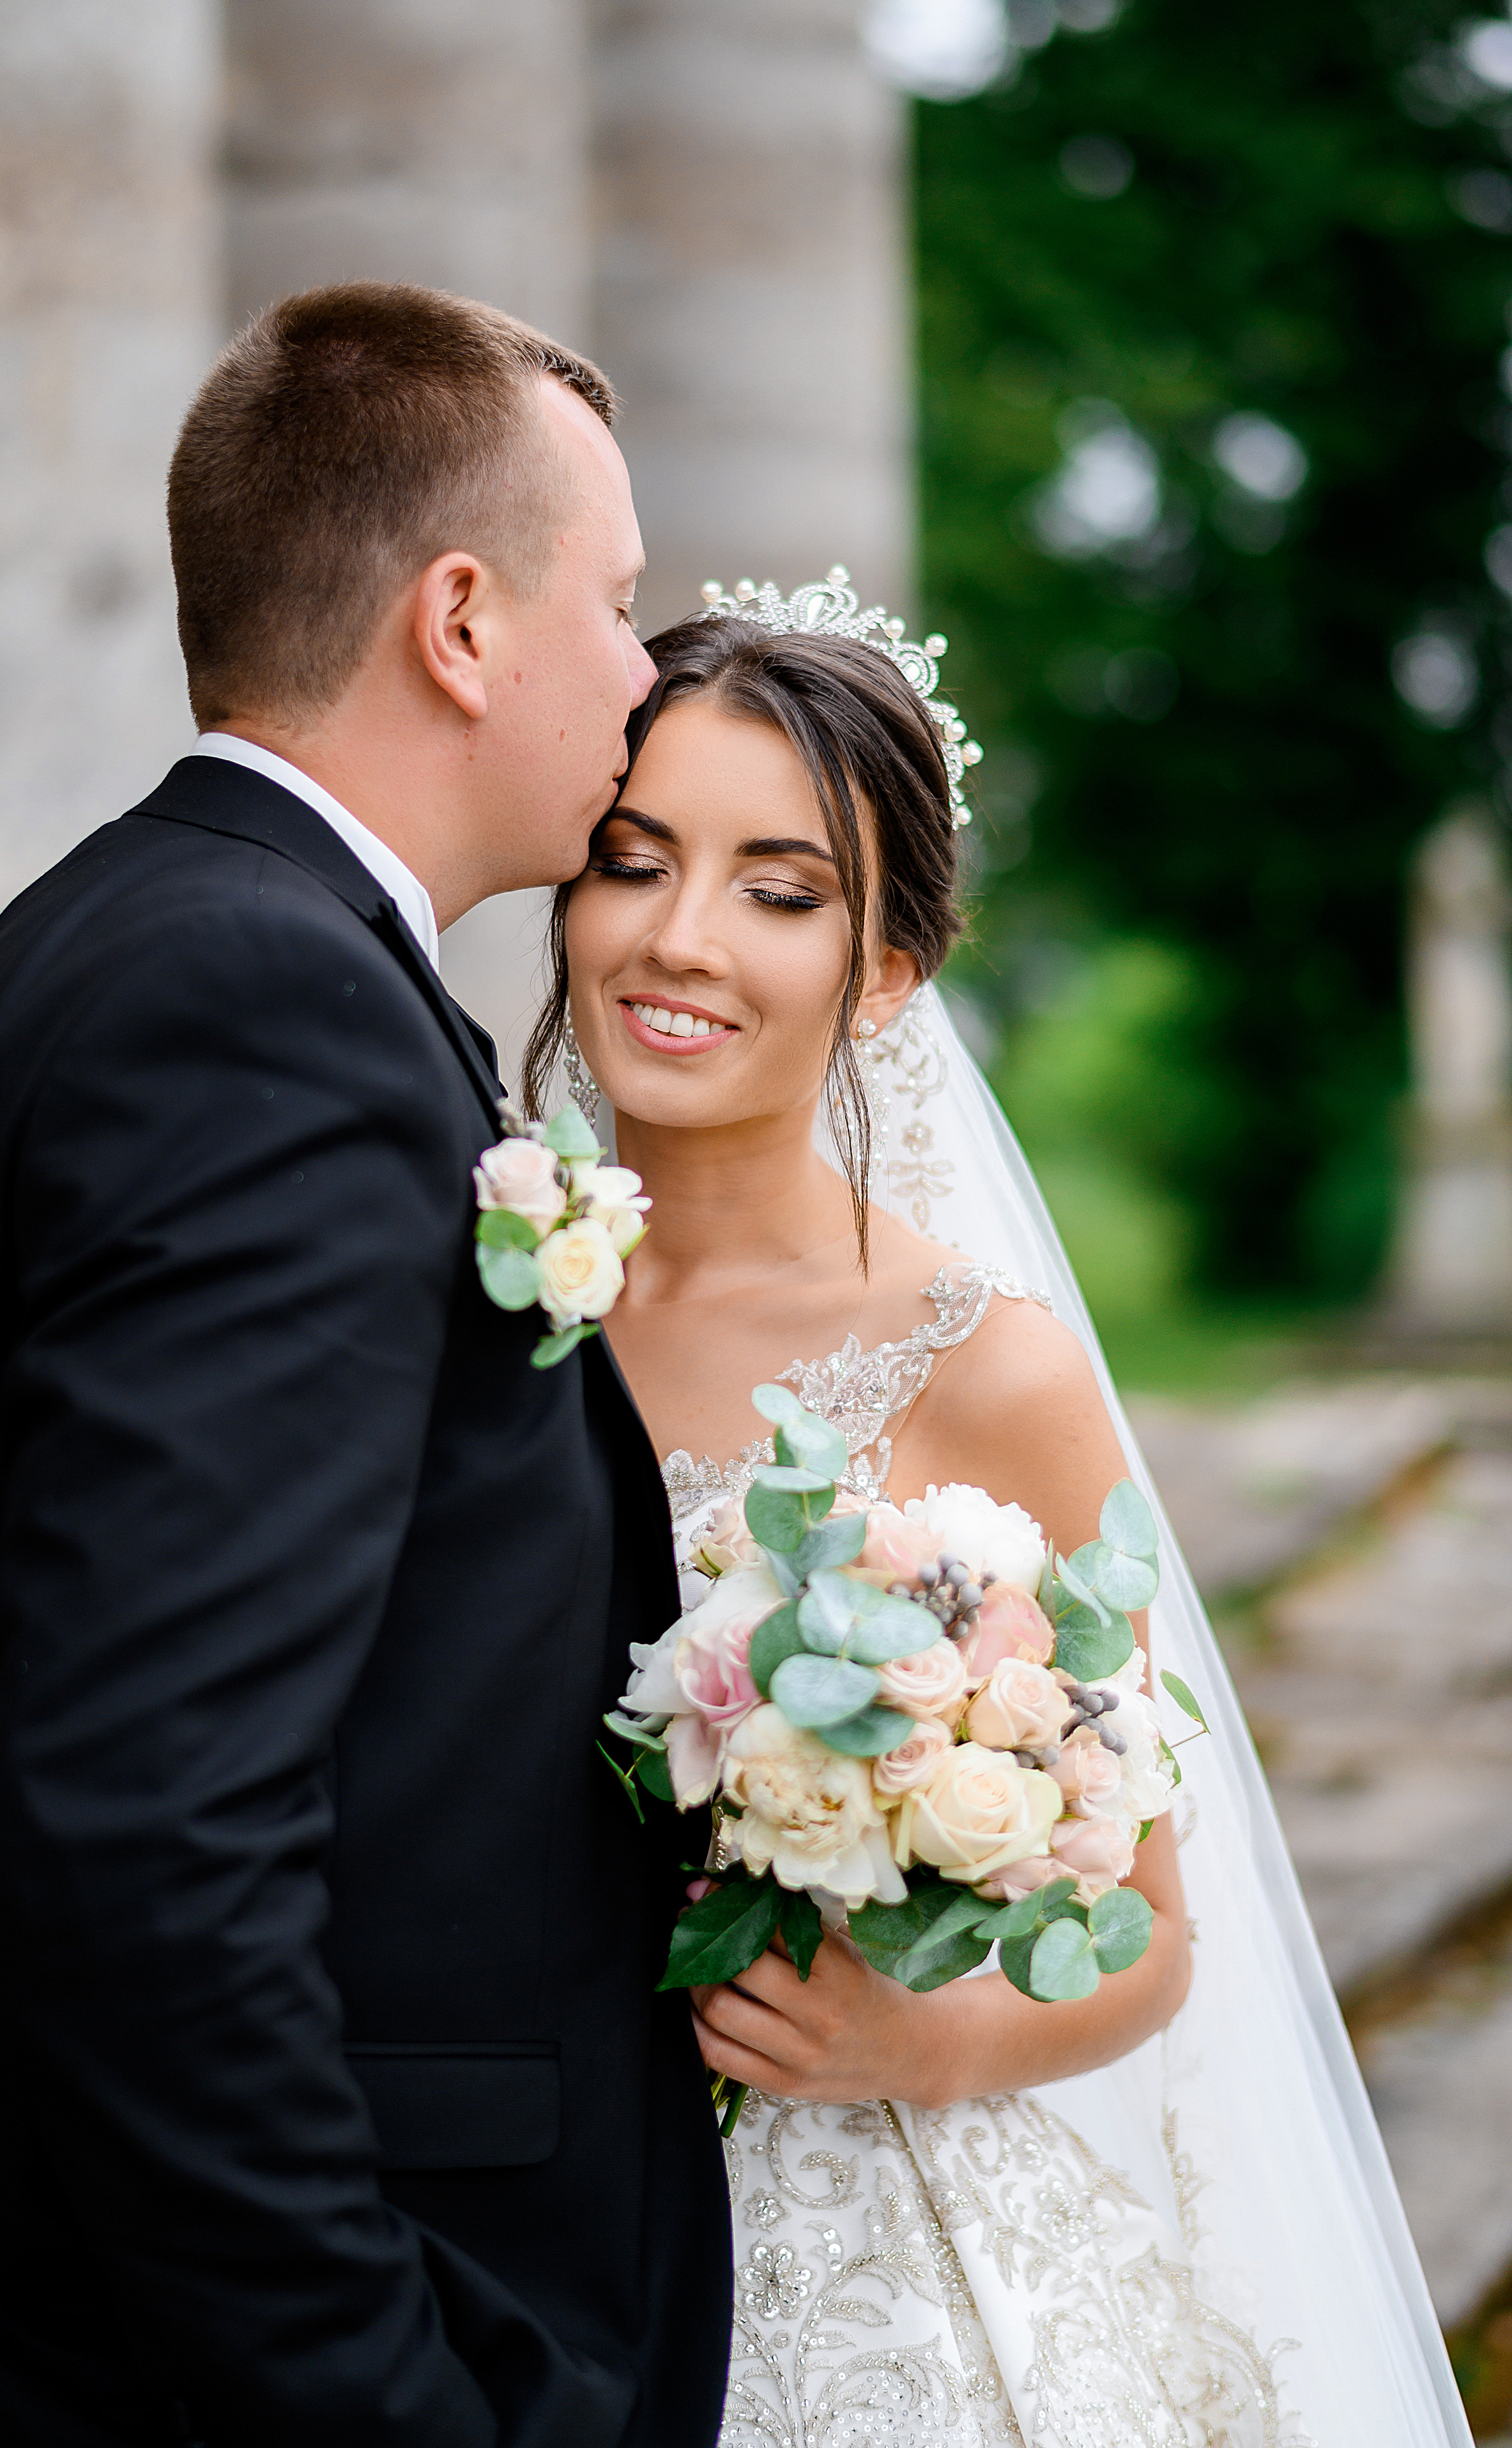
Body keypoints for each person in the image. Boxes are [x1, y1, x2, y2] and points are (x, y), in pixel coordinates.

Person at [0, 284, 731, 2446]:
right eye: (610, 605)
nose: (645, 674)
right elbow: (145, 1821)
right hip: (215, 2354)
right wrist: (377, 2398)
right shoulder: (261, 1017)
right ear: (460, 623)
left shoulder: (156, 937)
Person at [523, 579, 1472, 2447]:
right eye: (632, 860)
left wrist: (925, 2037)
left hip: (870, 2271)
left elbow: (1152, 1929)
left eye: (780, 890)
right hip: (521, 2221)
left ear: (885, 972)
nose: (679, 938)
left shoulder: (981, 1364)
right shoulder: (485, 1297)